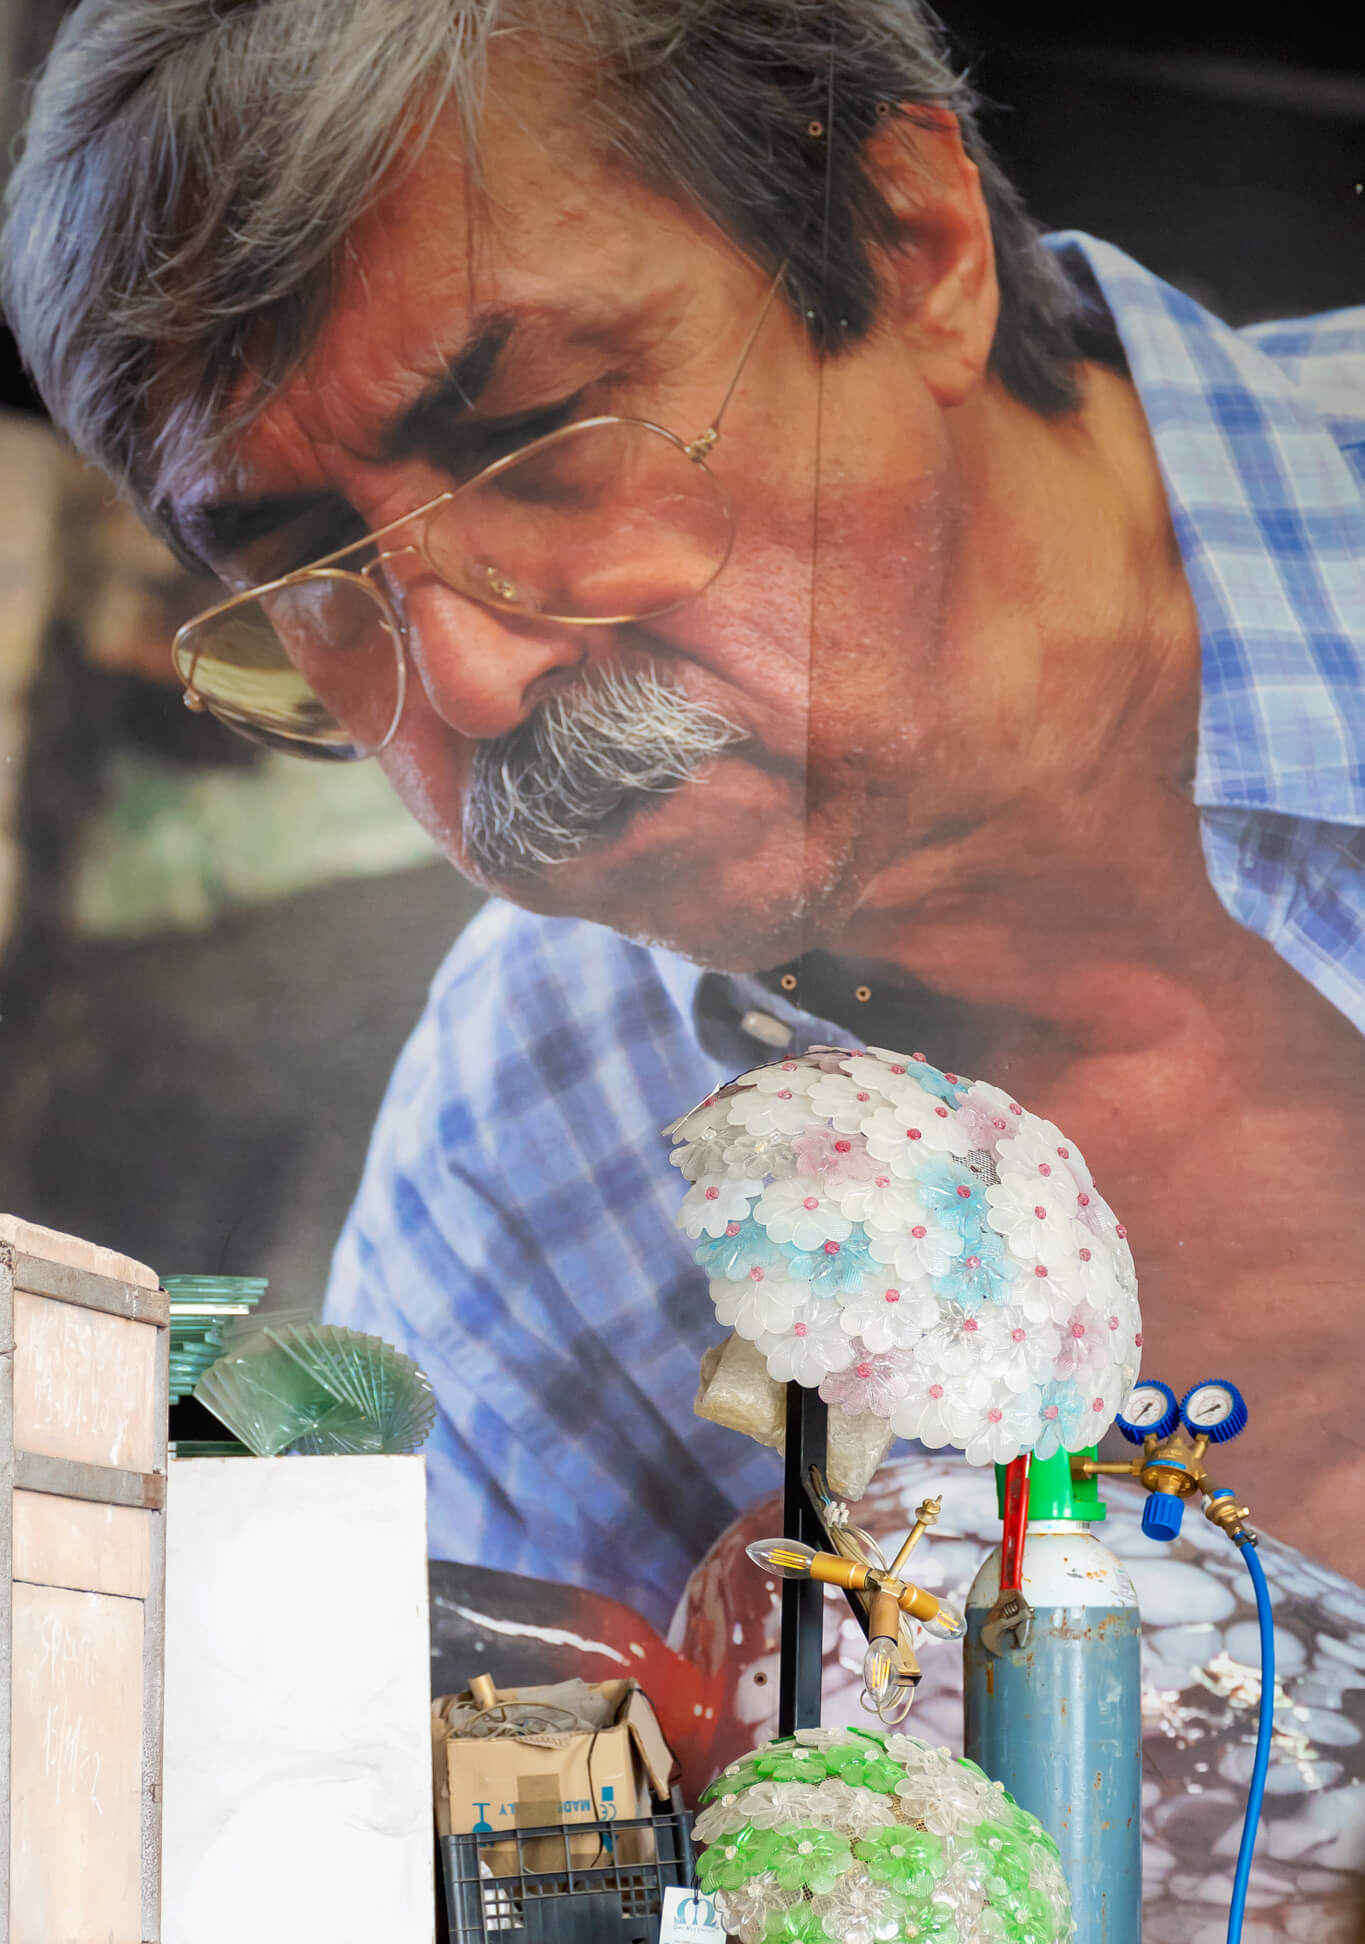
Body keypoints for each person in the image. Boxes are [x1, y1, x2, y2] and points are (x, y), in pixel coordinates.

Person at [4, 0, 1363, 1628]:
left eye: (532, 440)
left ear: (906, 237)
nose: (468, 676)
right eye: (308, 572)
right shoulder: (519, 1170)